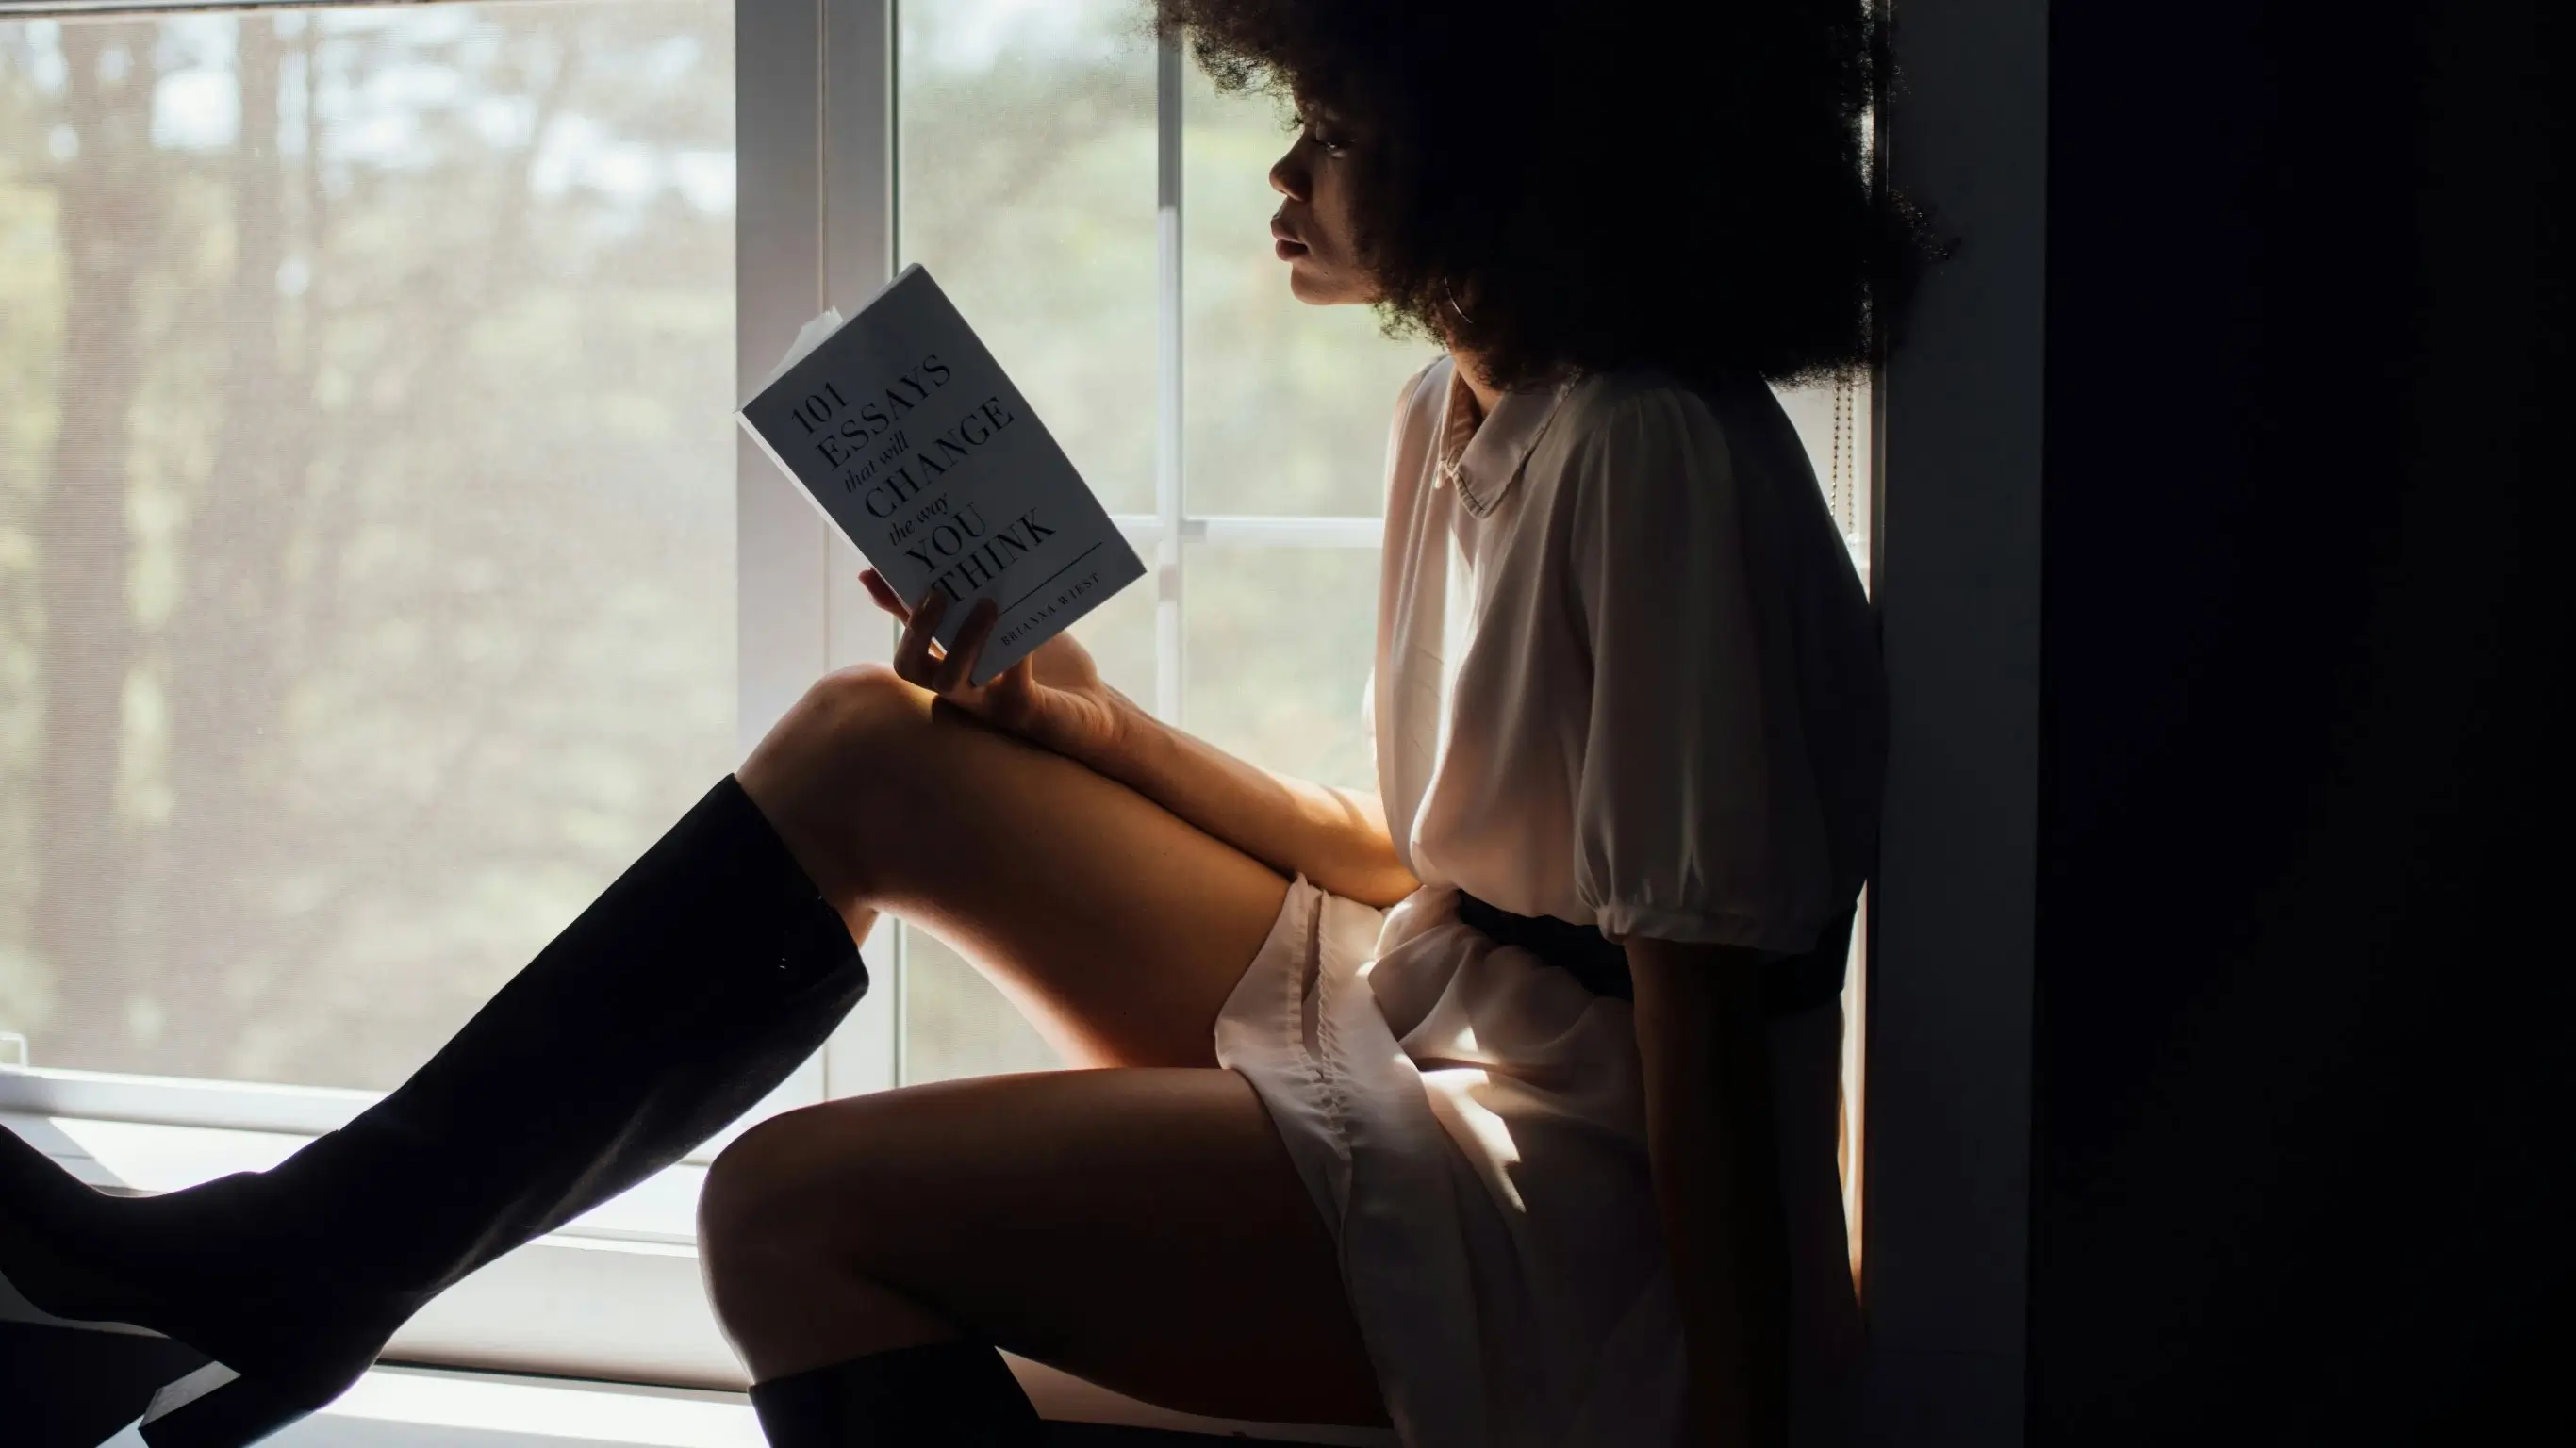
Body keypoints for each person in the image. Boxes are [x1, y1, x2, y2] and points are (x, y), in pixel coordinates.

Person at [0, 1, 1918, 1443]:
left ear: (1479, 141)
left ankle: (288, 1272)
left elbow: (1707, 1002)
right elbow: (1419, 861)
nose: (1282, 173)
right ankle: (311, 1259)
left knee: (782, 1218)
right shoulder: (1464, 415)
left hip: (1592, 1211)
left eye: (1328, 126)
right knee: (867, 749)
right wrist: (1090, 733)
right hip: (1436, 1006)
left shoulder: (1658, 454)